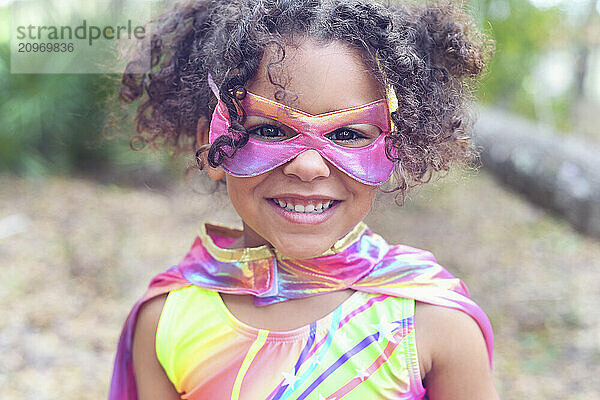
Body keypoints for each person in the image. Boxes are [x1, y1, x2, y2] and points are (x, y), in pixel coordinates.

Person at [109, 0, 498, 399]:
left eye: (348, 135)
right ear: (212, 145)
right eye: (271, 131)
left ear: (395, 148)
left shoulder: (432, 326)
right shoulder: (166, 322)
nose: (309, 166)